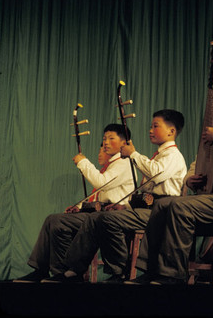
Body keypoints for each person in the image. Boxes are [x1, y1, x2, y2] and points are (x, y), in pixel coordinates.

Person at [127, 77, 213, 285]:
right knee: (162, 205)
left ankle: (173, 275)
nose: (211, 102)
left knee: (179, 207)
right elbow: (197, 164)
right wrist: (190, 179)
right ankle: (150, 269)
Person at [44, 109, 188, 283]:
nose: (150, 130)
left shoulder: (173, 155)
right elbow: (144, 193)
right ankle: (72, 270)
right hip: (147, 209)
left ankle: (119, 272)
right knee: (95, 218)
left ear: (171, 131)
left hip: (162, 212)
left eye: (155, 126)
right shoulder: (158, 157)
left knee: (105, 219)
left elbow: (156, 175)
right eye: (150, 126)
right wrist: (125, 206)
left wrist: (134, 154)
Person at [13, 124, 134, 283]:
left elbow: (100, 182)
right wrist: (79, 207)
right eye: (104, 139)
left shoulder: (123, 163)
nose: (105, 143)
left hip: (111, 216)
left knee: (59, 222)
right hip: (98, 214)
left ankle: (64, 272)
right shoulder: (112, 164)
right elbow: (99, 194)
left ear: (124, 143)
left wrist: (83, 162)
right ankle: (44, 270)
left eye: (111, 138)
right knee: (54, 220)